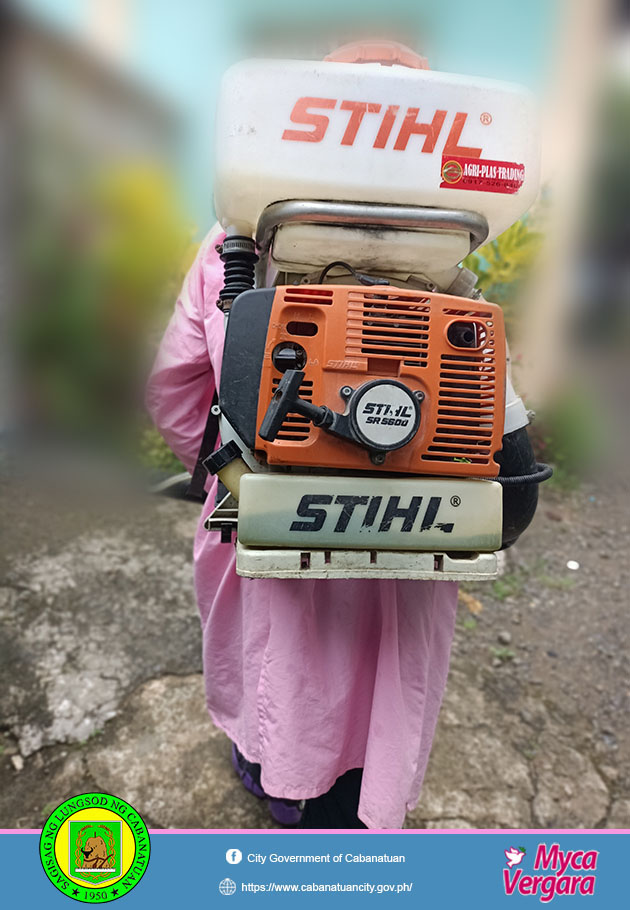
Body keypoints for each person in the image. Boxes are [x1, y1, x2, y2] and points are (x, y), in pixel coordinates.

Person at [146, 223, 458, 829]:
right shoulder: (441, 234)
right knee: (382, 690)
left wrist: (227, 478)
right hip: (412, 526)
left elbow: (177, 391)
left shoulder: (237, 235)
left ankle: (271, 778)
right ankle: (353, 808)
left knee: (267, 667)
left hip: (259, 515)